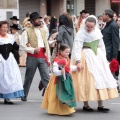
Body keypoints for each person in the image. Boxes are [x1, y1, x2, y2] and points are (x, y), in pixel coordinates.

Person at [71, 15, 119, 112]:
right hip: (86, 55)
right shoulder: (81, 33)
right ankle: (86, 104)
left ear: (94, 25)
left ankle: (100, 105)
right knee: (87, 80)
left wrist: (104, 59)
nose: (89, 29)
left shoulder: (97, 32)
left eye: (91, 27)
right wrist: (78, 61)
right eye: (87, 26)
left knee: (100, 78)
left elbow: (101, 45)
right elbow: (77, 48)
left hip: (97, 56)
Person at [20, 12, 51, 101]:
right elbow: (22, 46)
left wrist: (48, 57)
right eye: (37, 19)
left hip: (43, 56)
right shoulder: (26, 31)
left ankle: (49, 97)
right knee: (29, 77)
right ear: (32, 21)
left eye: (39, 19)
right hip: (32, 57)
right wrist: (33, 50)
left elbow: (46, 45)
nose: (39, 20)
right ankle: (24, 95)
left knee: (46, 77)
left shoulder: (43, 31)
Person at [41, 44, 77, 115]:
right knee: (56, 94)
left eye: (68, 52)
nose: (68, 53)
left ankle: (66, 109)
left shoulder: (67, 59)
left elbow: (69, 67)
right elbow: (54, 70)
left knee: (67, 92)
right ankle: (56, 109)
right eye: (66, 52)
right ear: (61, 51)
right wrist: (60, 72)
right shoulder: (57, 60)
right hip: (58, 79)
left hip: (66, 78)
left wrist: (76, 68)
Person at [0, 21, 24, 104]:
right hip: (0, 60)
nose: (5, 29)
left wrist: (25, 44)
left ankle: (7, 98)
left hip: (9, 61)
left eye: (6, 27)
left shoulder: (10, 37)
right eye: (3, 27)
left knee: (9, 77)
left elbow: (16, 47)